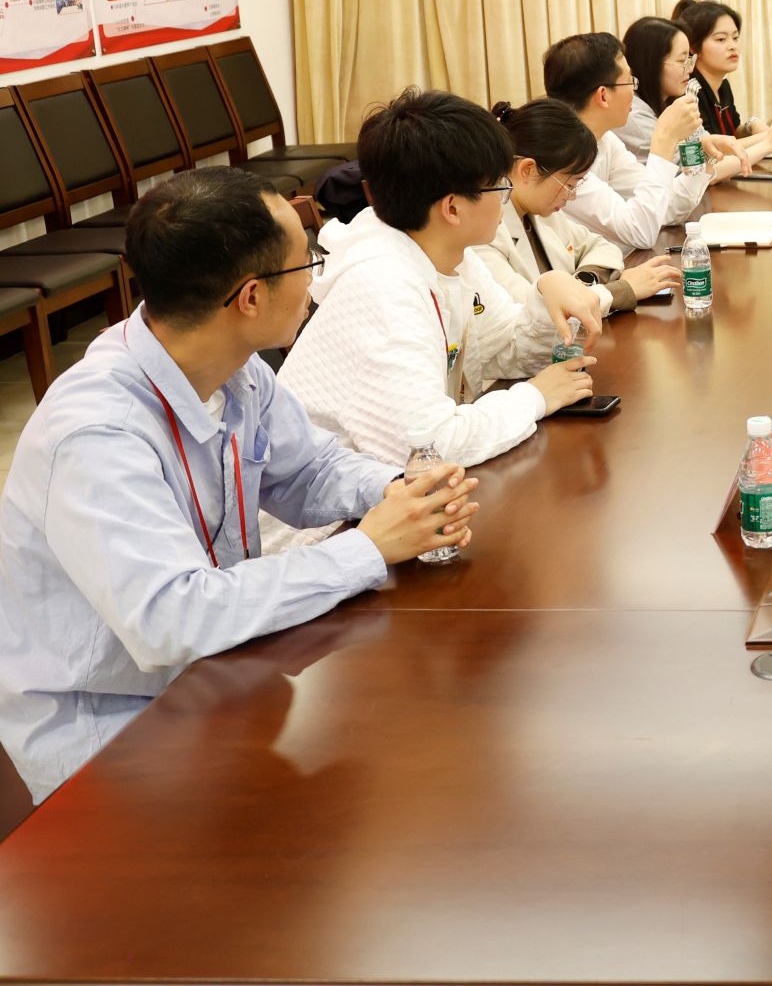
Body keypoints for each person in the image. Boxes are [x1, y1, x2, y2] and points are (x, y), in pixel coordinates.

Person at [0, 168, 481, 803]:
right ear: (250, 296)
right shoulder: (97, 432)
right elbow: (174, 617)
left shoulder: (231, 366)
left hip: (216, 669)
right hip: (112, 731)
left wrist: (399, 491)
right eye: (305, 262)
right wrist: (368, 548)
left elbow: (307, 469)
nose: (314, 279)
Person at [276, 90, 603, 525]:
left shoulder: (451, 254)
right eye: (499, 187)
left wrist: (547, 291)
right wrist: (535, 398)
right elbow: (429, 448)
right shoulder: (383, 284)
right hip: (328, 530)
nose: (506, 198)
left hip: (397, 508)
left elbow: (508, 350)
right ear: (452, 207)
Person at [481, 98, 682, 315]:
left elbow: (602, 247)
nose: (573, 195)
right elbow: (536, 315)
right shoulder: (485, 232)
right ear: (527, 170)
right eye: (569, 185)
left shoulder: (541, 213)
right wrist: (620, 291)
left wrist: (582, 284)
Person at [544, 30, 739, 251]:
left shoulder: (605, 139)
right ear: (603, 95)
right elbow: (640, 232)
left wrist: (702, 158)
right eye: (629, 81)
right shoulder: (561, 157)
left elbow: (667, 207)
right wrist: (664, 139)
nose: (634, 91)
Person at [674, 0, 772, 158]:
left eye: (735, 38)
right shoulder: (689, 89)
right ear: (694, 47)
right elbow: (709, 150)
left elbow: (734, 132)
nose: (733, 46)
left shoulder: (722, 84)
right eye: (721, 39)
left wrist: (753, 124)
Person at [619, 14, 696, 160]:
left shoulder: (673, 100)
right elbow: (687, 165)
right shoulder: (634, 115)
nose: (690, 69)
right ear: (651, 64)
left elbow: (705, 143)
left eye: (690, 59)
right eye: (681, 61)